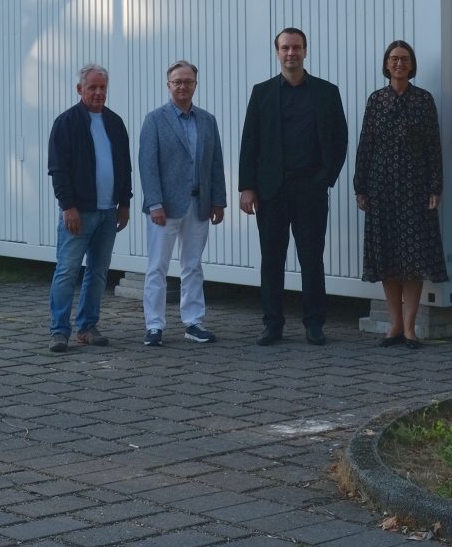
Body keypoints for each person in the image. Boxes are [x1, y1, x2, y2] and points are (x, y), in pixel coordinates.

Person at [239, 28, 348, 346]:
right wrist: (247, 187)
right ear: (277, 53)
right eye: (285, 48)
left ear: (305, 51)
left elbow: (339, 139)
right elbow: (250, 142)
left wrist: (325, 178)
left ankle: (314, 324)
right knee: (271, 259)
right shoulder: (262, 92)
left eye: (296, 47)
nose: (291, 53)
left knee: (312, 259)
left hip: (310, 188)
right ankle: (272, 323)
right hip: (271, 191)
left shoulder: (327, 92)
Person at [355, 40, 445, 348]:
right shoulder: (376, 100)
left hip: (415, 186)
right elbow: (366, 143)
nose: (399, 64)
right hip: (381, 187)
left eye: (404, 59)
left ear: (411, 64)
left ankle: (410, 328)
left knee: (414, 257)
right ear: (386, 63)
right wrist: (360, 186)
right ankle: (394, 325)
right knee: (388, 256)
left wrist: (435, 187)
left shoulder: (423, 100)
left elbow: (433, 146)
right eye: (394, 58)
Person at [136, 60, 227, 347]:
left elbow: (215, 162)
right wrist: (154, 203)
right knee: (157, 267)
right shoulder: (154, 119)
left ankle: (193, 322)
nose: (182, 86)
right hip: (164, 208)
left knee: (193, 265)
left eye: (188, 81)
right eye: (177, 82)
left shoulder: (207, 120)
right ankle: (154, 326)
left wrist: (218, 201)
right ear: (168, 85)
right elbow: (147, 164)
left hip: (199, 205)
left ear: (195, 85)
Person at [45, 63, 132, 353]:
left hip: (108, 212)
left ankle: (87, 327)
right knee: (67, 271)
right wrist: (68, 207)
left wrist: (124, 203)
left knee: (98, 273)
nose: (98, 92)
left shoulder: (115, 122)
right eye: (92, 87)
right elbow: (58, 169)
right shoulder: (66, 122)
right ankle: (59, 331)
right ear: (80, 89)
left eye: (102, 87)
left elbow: (125, 167)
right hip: (79, 213)